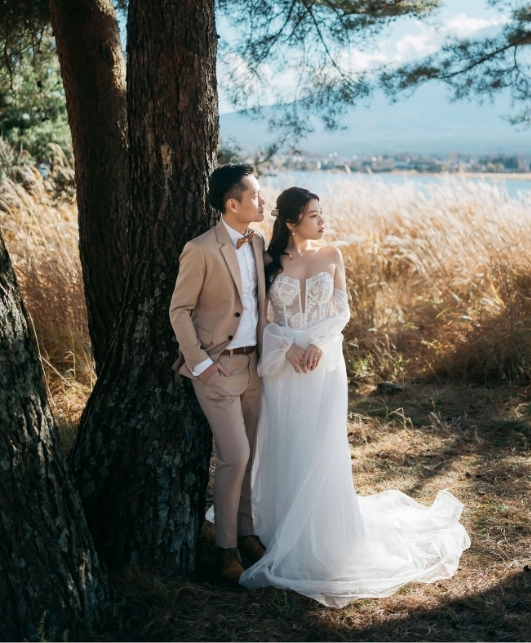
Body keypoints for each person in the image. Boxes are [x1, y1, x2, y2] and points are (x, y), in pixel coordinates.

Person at [238, 186, 471, 607]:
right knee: (286, 442)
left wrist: (316, 345)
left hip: (323, 365)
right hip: (284, 368)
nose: (322, 222)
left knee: (322, 444)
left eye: (322, 214)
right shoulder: (269, 260)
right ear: (291, 222)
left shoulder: (332, 256)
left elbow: (341, 311)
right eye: (314, 216)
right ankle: (281, 527)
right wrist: (289, 346)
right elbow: (261, 319)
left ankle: (325, 532)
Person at [169, 163, 270, 586]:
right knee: (235, 456)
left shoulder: (258, 240)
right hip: (217, 368)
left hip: (254, 366)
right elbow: (179, 310)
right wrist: (203, 364)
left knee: (252, 454)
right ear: (233, 204)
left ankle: (246, 533)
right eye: (255, 196)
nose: (263, 201)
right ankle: (225, 548)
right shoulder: (201, 249)